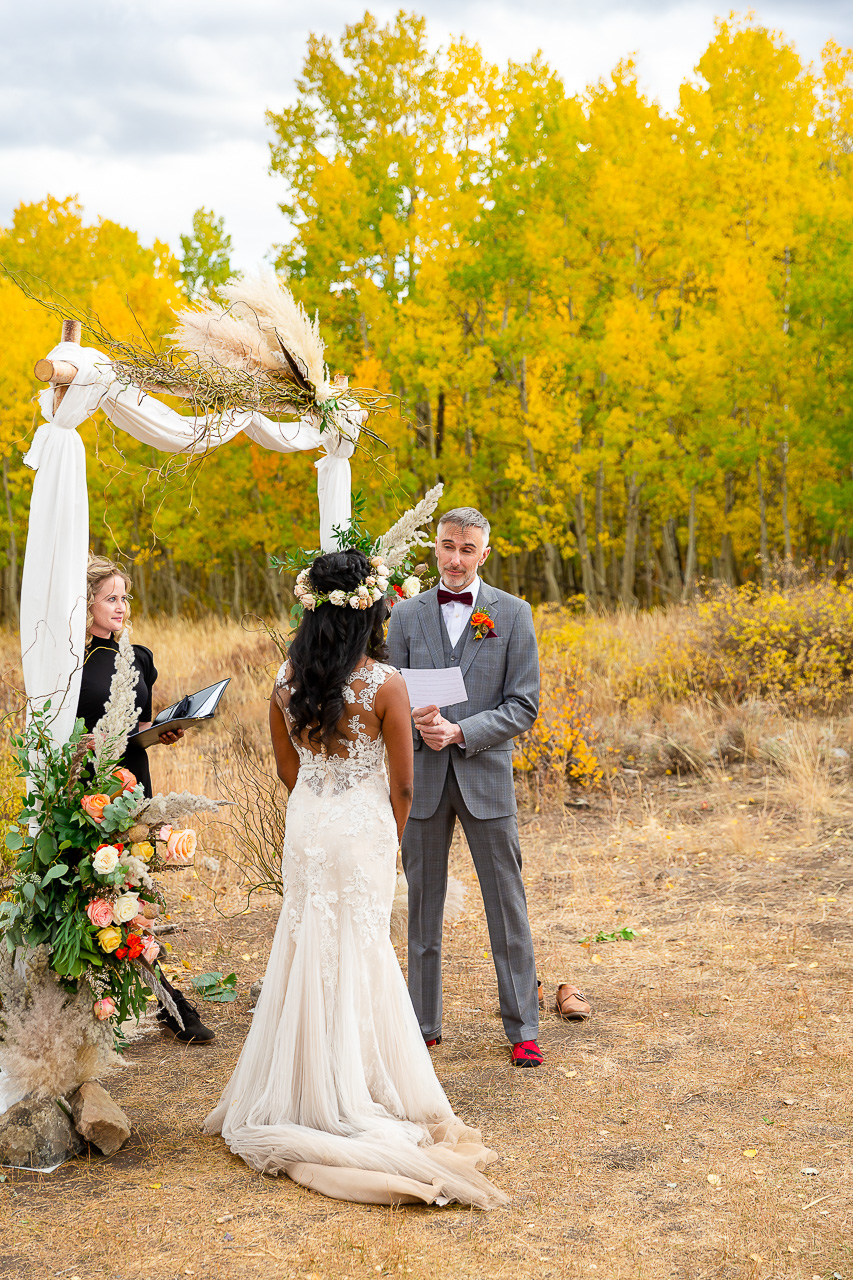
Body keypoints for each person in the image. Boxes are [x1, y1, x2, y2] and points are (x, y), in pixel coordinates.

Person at [205, 548, 507, 1208]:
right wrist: (386, 835)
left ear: (310, 610)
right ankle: (354, 1088)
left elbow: (289, 772)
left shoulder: (286, 684)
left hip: (308, 824)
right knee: (361, 946)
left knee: (305, 939)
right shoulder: (386, 685)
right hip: (362, 827)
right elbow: (403, 781)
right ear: (369, 608)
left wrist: (323, 799)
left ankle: (302, 1083)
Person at [386, 507, 548, 1067]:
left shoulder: (514, 614)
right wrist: (417, 724)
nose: (456, 559)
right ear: (436, 548)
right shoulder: (405, 616)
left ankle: (523, 1027)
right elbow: (389, 694)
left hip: (485, 778)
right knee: (422, 908)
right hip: (422, 782)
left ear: (485, 552)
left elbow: (523, 704)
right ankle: (422, 1025)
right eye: (447, 546)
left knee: (507, 906)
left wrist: (461, 731)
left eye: (467, 548)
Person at [78, 555, 214, 1045]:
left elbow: (138, 723)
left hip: (133, 785)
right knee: (93, 895)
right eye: (110, 598)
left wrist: (160, 730)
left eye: (125, 597)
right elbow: (59, 730)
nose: (121, 606)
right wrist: (84, 745)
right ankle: (109, 1000)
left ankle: (165, 1000)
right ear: (86, 601)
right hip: (89, 789)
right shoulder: (70, 660)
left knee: (135, 894)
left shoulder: (138, 656)